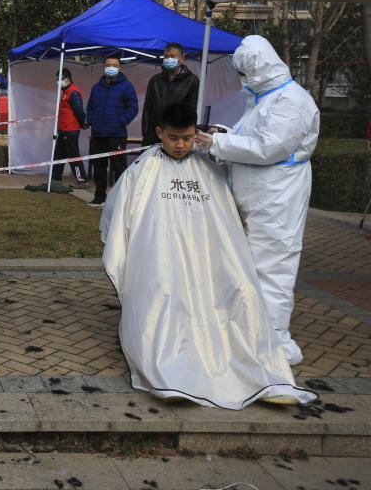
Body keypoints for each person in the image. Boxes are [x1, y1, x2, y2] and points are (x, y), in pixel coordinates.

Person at [100, 102, 316, 409]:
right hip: (161, 257)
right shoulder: (142, 171)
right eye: (174, 137)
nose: (180, 145)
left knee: (241, 291)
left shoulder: (209, 170)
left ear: (196, 134)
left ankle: (262, 373)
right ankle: (167, 371)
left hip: (208, 257)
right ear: (160, 133)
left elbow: (226, 219)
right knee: (163, 291)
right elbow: (119, 218)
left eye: (188, 138)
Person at [195, 35, 320, 366]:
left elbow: (270, 148)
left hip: (277, 200)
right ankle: (250, 334)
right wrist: (222, 137)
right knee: (249, 267)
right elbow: (248, 137)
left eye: (244, 73)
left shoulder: (292, 101)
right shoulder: (266, 100)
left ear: (258, 69)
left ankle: (275, 344)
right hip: (258, 197)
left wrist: (219, 144)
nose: (242, 80)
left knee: (273, 269)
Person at [85, 55, 138, 206]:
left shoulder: (127, 86)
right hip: (98, 134)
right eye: (108, 64)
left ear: (120, 67)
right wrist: (92, 121)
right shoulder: (97, 87)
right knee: (99, 167)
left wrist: (120, 122)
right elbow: (90, 107)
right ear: (104, 66)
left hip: (117, 135)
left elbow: (133, 107)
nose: (111, 67)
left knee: (118, 168)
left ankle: (121, 200)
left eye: (114, 65)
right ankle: (99, 197)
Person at [140, 42, 200, 147]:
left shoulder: (191, 81)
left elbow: (192, 110)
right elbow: (147, 108)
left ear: (182, 58)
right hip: (155, 132)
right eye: (166, 56)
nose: (168, 59)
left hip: (177, 133)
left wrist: (189, 135)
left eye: (172, 56)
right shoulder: (155, 80)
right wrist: (145, 133)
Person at [50, 67, 88, 184]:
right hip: (63, 129)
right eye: (57, 79)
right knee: (58, 156)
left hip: (70, 130)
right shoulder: (65, 92)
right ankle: (56, 179)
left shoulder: (73, 92)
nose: (58, 82)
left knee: (74, 157)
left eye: (60, 79)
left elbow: (79, 111)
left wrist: (83, 123)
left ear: (67, 79)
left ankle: (82, 181)